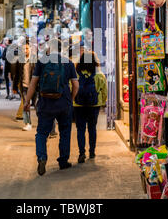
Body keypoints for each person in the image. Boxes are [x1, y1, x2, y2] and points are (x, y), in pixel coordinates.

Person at [24, 38, 79, 176]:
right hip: (64, 102)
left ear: (49, 49)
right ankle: (63, 161)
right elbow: (76, 85)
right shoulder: (68, 63)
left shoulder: (42, 62)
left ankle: (42, 157)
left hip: (46, 103)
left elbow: (32, 83)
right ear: (60, 50)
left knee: (42, 133)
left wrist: (27, 101)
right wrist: (71, 99)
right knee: (65, 132)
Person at [73, 51, 107, 163]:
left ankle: (81, 153)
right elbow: (104, 92)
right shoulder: (99, 75)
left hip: (79, 105)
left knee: (80, 129)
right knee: (92, 128)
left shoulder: (76, 74)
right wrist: (103, 102)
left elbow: (72, 88)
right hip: (94, 105)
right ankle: (92, 151)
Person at [12, 40, 34, 130]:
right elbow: (17, 74)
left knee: (38, 106)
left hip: (34, 87)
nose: (25, 50)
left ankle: (44, 123)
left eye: (27, 48)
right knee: (26, 105)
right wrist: (14, 86)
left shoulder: (35, 60)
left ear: (30, 49)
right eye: (23, 49)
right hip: (24, 86)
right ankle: (28, 123)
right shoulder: (20, 61)